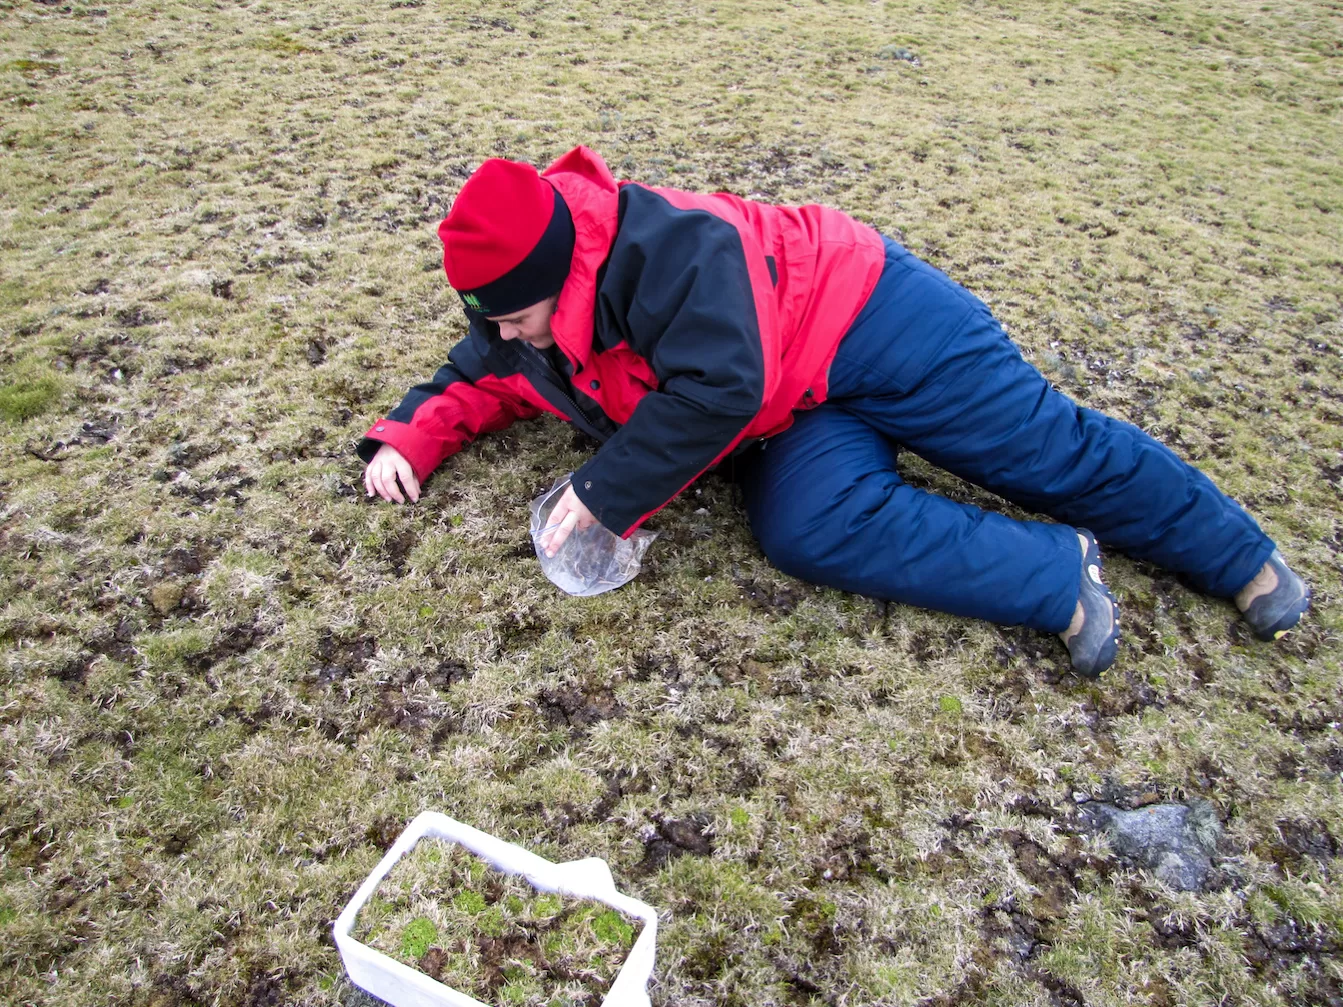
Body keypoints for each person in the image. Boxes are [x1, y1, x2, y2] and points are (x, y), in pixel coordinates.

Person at [357, 146, 1310, 677]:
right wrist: (406, 440)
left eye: (514, 316)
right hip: (795, 406)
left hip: (871, 316)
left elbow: (718, 388)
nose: (506, 336)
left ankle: (1236, 556)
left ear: (557, 274)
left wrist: (604, 492)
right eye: (492, 320)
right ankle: (1053, 575)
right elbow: (478, 372)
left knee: (1037, 449)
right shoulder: (524, 323)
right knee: (803, 528)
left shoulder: (674, 249)